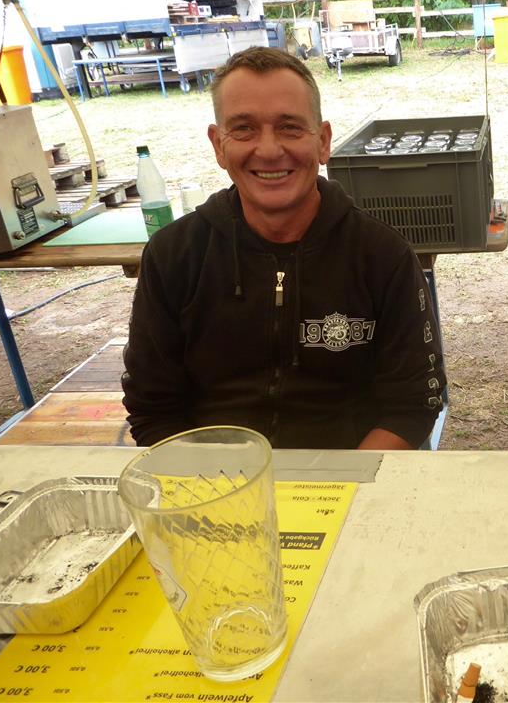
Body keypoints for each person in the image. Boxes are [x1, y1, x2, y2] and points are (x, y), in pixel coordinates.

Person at [122, 46, 445, 450]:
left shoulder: (383, 256)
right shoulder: (173, 255)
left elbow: (413, 403)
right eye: (244, 129)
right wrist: (216, 483)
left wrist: (344, 483)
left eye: (290, 127)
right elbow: (152, 408)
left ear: (323, 142)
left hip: (350, 472)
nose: (270, 150)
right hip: (213, 475)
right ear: (218, 145)